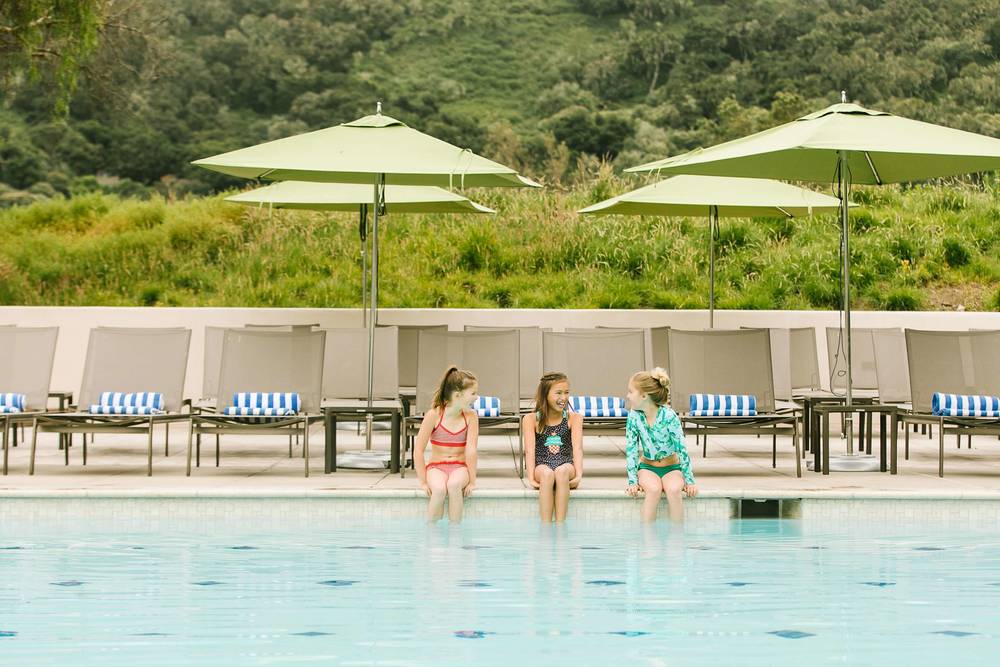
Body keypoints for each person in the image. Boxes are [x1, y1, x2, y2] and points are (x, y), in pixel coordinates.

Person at [624, 368, 697, 522]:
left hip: (672, 468)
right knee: (653, 489)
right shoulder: (634, 416)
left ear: (644, 396)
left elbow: (681, 449)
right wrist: (632, 481)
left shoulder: (669, 416)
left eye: (630, 392)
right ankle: (647, 534)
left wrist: (690, 481)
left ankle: (677, 534)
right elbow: (631, 449)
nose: (627, 396)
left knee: (673, 490)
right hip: (648, 468)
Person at [413, 366, 479, 522]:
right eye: (473, 393)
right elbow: (418, 450)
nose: (476, 397)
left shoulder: (471, 417)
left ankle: (455, 531)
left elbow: (471, 450)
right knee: (438, 489)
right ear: (458, 395)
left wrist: (472, 481)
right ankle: (432, 530)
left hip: (460, 467)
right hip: (436, 467)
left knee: (454, 486)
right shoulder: (434, 415)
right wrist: (423, 481)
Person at [523, 372, 583, 522]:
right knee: (547, 474)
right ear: (545, 394)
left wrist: (578, 475)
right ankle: (546, 526)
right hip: (542, 465)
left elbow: (577, 448)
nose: (563, 397)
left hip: (566, 464)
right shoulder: (531, 419)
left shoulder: (573, 418)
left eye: (566, 392)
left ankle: (561, 525)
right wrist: (531, 477)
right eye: (558, 393)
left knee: (561, 472)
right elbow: (529, 451)